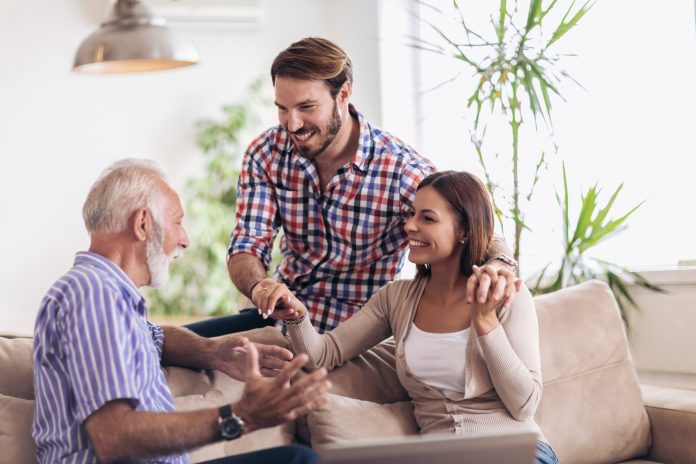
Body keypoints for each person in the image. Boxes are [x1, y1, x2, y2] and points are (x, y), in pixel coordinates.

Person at [187, 37, 518, 337]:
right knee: (168, 346)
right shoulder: (266, 153)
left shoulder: (399, 169)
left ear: (342, 95)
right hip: (282, 322)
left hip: (360, 336)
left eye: (306, 107)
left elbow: (473, 226)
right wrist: (260, 286)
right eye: (282, 109)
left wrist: (499, 267)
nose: (293, 124)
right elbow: (247, 243)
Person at [32, 159, 330, 464]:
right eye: (177, 222)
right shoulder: (93, 294)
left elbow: (157, 337)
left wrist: (213, 353)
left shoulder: (107, 295)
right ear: (143, 223)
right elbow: (114, 438)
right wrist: (242, 416)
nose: (185, 240)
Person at [266, 171, 560, 464]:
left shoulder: (508, 296)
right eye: (411, 214)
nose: (409, 226)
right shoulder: (396, 299)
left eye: (427, 219)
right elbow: (323, 354)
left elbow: (524, 405)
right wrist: (295, 314)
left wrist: (486, 324)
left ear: (465, 231)